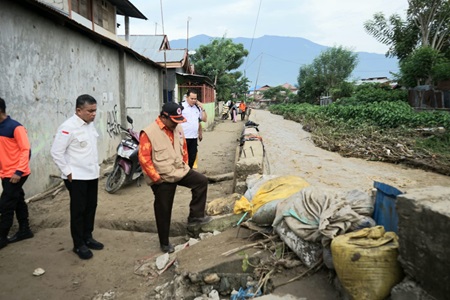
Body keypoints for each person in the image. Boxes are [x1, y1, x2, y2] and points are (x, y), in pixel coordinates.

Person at [138, 102, 211, 254]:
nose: (176, 123)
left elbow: (183, 147)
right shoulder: (149, 132)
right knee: (164, 208)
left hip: (179, 170)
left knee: (201, 182)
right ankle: (164, 242)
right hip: (162, 176)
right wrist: (156, 178)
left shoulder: (177, 127)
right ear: (163, 117)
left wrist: (185, 164)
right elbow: (144, 158)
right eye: (173, 120)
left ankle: (196, 216)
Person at [50, 94, 103, 260]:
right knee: (78, 210)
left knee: (91, 206)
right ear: (78, 110)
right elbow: (56, 152)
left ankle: (88, 236)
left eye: (95, 110)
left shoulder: (89, 125)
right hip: (77, 176)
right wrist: (67, 171)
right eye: (90, 111)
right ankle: (78, 244)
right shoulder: (68, 127)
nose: (93, 114)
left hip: (91, 174)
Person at [0, 97, 33, 249]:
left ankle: (1, 237)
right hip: (5, 172)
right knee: (17, 199)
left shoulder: (15, 127)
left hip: (17, 173)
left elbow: (26, 150)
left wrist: (18, 172)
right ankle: (25, 230)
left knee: (5, 204)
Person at [181, 90, 207, 169]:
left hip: (193, 137)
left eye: (195, 99)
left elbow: (203, 119)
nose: (193, 100)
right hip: (182, 138)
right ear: (187, 98)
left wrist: (202, 108)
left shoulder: (197, 108)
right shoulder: (181, 107)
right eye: (191, 98)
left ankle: (189, 172)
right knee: (182, 157)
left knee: (192, 157)